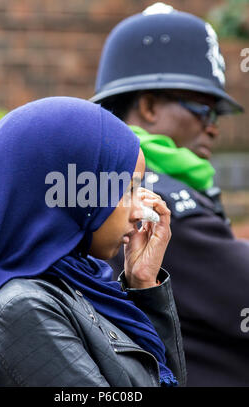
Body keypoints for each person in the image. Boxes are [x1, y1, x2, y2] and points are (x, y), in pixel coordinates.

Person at [0, 96, 186, 387]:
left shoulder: (84, 283)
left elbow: (166, 378)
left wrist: (144, 284)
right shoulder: (25, 309)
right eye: (127, 189)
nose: (141, 211)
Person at [91, 3, 249, 387]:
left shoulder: (106, 182)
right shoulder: (153, 205)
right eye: (203, 109)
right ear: (147, 106)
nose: (213, 128)